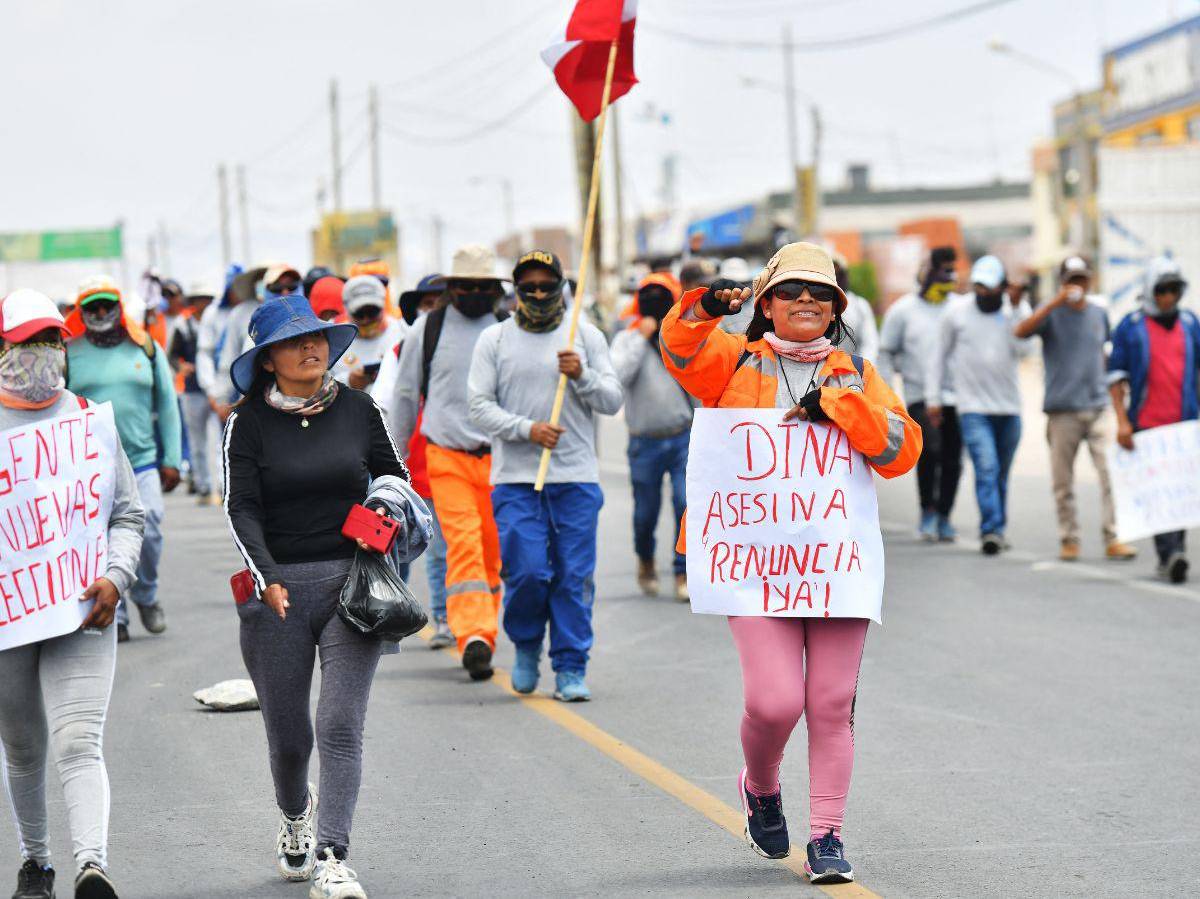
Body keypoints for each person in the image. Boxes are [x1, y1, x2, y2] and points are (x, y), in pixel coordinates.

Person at [659, 242, 920, 884]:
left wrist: (841, 406)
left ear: (836, 307)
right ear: (767, 303)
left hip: (834, 564)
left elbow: (901, 449)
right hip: (752, 564)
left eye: (821, 292)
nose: (807, 300)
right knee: (775, 704)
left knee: (830, 704)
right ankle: (761, 786)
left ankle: (827, 838)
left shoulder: (856, 371)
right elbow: (681, 347)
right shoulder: (733, 360)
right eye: (792, 290)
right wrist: (700, 306)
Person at [223, 294, 415, 899]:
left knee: (339, 724)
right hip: (274, 591)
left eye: (317, 339)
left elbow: (396, 478)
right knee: (289, 737)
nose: (311, 348)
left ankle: (334, 855)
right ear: (266, 360)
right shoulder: (246, 422)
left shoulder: (360, 408)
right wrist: (266, 575)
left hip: (352, 586)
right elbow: (241, 506)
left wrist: (384, 505)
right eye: (292, 341)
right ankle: (294, 815)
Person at [0, 289, 144, 899]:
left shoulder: (90, 422)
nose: (42, 352)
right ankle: (37, 861)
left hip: (84, 609)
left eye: (52, 340)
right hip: (9, 619)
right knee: (24, 745)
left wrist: (116, 575)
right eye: (28, 342)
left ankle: (92, 864)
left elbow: (128, 516)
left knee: (80, 741)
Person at [469, 249, 623, 702]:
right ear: (516, 291)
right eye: (528, 287)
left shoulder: (586, 337)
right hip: (516, 479)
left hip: (575, 478)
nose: (537, 294)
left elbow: (612, 401)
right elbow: (478, 406)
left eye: (546, 285)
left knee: (573, 577)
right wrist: (527, 430)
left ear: (561, 288)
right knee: (529, 573)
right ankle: (526, 646)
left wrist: (584, 376)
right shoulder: (494, 341)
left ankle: (571, 666)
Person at [389, 247, 507, 679]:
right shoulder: (428, 329)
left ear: (495, 290)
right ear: (451, 288)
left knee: (492, 552)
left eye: (483, 286)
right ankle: (473, 634)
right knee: (463, 544)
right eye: (465, 286)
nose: (474, 293)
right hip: (446, 456)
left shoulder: (505, 329)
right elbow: (405, 395)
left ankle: (484, 632)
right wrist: (394, 457)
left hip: (499, 460)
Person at [65, 275, 182, 642]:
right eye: (92, 308)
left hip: (142, 459)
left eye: (106, 306)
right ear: (81, 313)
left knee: (151, 528)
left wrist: (173, 458)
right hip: (90, 464)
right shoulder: (69, 351)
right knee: (98, 539)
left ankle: (146, 594)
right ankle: (116, 614)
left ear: (118, 309)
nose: (100, 312)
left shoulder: (145, 348)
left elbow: (167, 404)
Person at [1013, 256, 1137, 562]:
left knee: (1111, 475)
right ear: (1062, 282)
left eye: (1082, 279)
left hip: (1097, 406)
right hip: (1062, 410)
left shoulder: (1098, 313)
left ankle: (1114, 535)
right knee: (1063, 481)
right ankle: (1069, 538)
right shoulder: (1051, 314)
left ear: (1090, 281)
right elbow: (1020, 332)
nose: (1077, 286)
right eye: (1071, 280)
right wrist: (1054, 303)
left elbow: (1105, 351)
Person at [927, 256, 1033, 556]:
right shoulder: (956, 312)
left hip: (1009, 408)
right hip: (972, 408)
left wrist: (1015, 307)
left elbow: (1025, 349)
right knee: (986, 467)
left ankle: (997, 528)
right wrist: (934, 398)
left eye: (990, 287)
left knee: (1000, 473)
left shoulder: (1016, 310)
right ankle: (990, 529)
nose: (983, 293)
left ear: (1002, 286)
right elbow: (938, 356)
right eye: (979, 286)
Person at [373, 274, 451, 649]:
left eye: (441, 301)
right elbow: (386, 405)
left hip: (471, 462)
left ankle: (464, 615)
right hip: (418, 462)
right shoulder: (401, 353)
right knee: (436, 550)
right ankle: (444, 619)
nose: (434, 309)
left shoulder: (475, 343)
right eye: (428, 302)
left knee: (468, 547)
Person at [1109, 257, 1198, 583]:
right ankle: (1170, 553)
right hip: (1147, 424)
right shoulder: (1130, 327)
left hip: (1183, 424)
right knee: (1159, 494)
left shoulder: (1189, 324)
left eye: (1174, 290)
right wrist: (1122, 421)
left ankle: (1176, 551)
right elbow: (1116, 380)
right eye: (1162, 290)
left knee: (1181, 494)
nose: (1168, 297)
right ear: (1150, 291)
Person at [610, 273, 695, 601]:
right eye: (649, 296)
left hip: (682, 437)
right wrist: (640, 338)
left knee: (685, 502)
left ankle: (682, 571)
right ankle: (645, 557)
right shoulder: (625, 340)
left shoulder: (682, 338)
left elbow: (697, 381)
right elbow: (617, 378)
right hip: (643, 440)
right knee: (645, 512)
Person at [878, 246, 963, 542]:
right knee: (929, 451)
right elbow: (886, 351)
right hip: (918, 395)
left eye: (951, 271)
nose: (947, 277)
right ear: (927, 272)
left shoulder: (959, 307)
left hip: (957, 395)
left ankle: (944, 515)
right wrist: (887, 391)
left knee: (953, 458)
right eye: (941, 270)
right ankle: (927, 509)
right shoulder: (903, 310)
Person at [169, 282, 218, 503]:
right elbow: (171, 355)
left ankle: (223, 484)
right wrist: (181, 368)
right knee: (197, 441)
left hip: (217, 388)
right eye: (199, 299)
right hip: (192, 390)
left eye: (207, 299)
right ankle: (203, 485)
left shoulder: (218, 323)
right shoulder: (183, 325)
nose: (204, 303)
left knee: (222, 438)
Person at [334, 276, 406, 390]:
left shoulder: (402, 331)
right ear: (347, 311)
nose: (366, 320)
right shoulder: (335, 339)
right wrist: (349, 381)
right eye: (359, 313)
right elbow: (321, 383)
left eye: (372, 312)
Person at [831, 253, 879, 362]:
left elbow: (870, 343)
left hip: (851, 372)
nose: (835, 276)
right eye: (832, 272)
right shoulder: (816, 303)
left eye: (838, 272)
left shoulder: (860, 305)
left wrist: (861, 371)